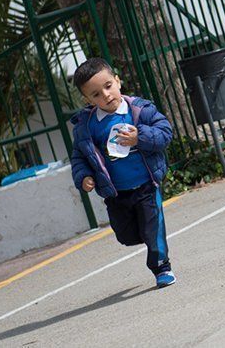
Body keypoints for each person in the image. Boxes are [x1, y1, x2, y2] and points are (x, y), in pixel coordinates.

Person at [70, 57, 176, 288]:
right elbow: (79, 156)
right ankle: (146, 235)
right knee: (126, 235)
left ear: (118, 81)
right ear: (87, 99)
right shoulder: (87, 126)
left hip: (147, 185)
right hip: (116, 193)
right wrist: (84, 177)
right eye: (96, 94)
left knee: (153, 228)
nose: (106, 95)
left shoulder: (140, 110)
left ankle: (162, 268)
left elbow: (165, 133)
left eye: (108, 86)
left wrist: (140, 137)